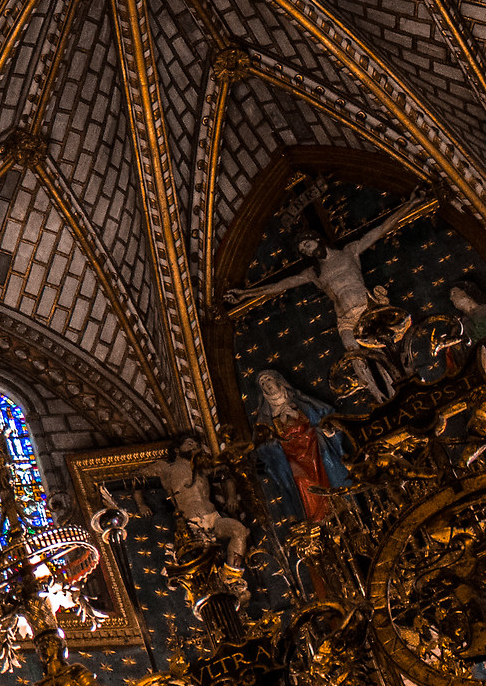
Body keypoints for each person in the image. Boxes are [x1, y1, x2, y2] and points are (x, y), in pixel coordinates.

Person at [226, 191, 431, 401]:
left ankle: (398, 391)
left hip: (366, 308)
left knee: (382, 354)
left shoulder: (349, 252)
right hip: (345, 318)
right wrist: (245, 294)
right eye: (303, 250)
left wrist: (411, 203)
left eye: (306, 245)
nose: (306, 250)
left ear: (316, 240)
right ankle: (379, 398)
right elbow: (280, 285)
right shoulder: (314, 273)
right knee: (356, 359)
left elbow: (380, 229)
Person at [248, 368, 352, 523]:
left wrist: (298, 415)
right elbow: (262, 448)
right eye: (262, 383)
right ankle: (316, 520)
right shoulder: (266, 418)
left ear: (278, 380)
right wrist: (278, 432)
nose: (266, 384)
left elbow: (327, 417)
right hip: (291, 457)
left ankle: (338, 507)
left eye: (268, 379)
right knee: (302, 481)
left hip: (314, 448)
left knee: (324, 466)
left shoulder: (301, 402)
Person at [143, 434, 250, 570]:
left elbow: (226, 474)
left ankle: (233, 575)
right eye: (190, 443)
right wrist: (141, 504)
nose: (194, 447)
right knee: (205, 562)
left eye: (197, 445)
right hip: (191, 523)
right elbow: (137, 479)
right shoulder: (166, 468)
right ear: (177, 449)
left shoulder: (202, 468)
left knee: (239, 530)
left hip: (213, 518)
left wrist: (231, 497)